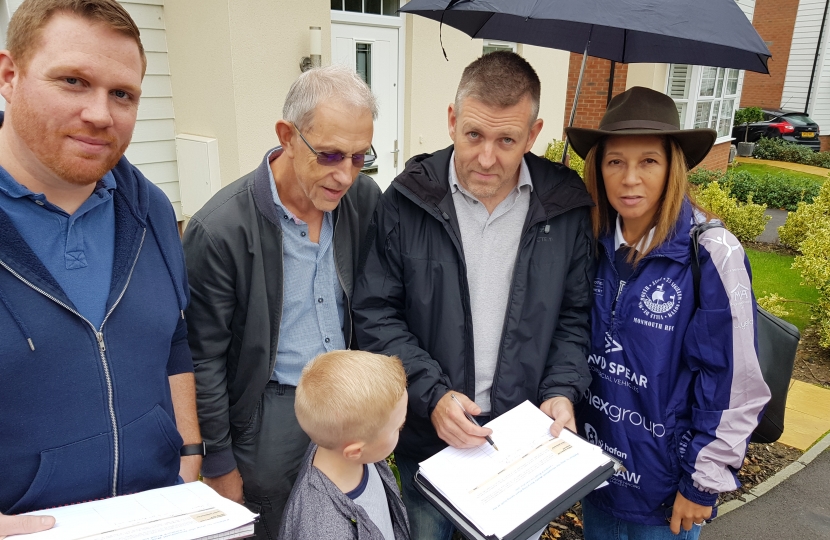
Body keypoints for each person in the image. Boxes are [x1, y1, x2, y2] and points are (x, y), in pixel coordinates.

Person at [352, 51, 595, 539]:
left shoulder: (566, 206)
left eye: (507, 140)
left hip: (522, 450)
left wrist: (562, 391)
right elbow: (376, 314)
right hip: (429, 445)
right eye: (474, 135)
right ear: (451, 120)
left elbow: (575, 317)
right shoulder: (406, 200)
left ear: (533, 133)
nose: (487, 158)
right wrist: (433, 396)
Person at [0, 0, 201, 526]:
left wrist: (190, 457)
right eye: (72, 81)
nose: (100, 113)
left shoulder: (152, 209)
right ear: (9, 75)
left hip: (158, 515)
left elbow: (173, 339)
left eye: (122, 94)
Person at [183, 65, 381, 538]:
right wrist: (220, 460)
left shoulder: (364, 200)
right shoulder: (221, 229)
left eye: (360, 158)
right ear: (287, 136)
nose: (345, 175)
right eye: (330, 155)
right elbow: (202, 356)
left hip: (348, 407)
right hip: (269, 415)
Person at [564, 86, 771, 539]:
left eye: (648, 162)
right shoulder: (587, 242)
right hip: (595, 477)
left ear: (672, 166)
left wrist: (702, 484)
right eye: (615, 161)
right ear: (598, 167)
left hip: (666, 496)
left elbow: (735, 384)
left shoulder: (711, 253)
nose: (630, 178)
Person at [278, 350, 410, 540]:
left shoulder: (336, 446)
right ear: (355, 451)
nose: (402, 428)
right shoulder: (324, 530)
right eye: (398, 426)